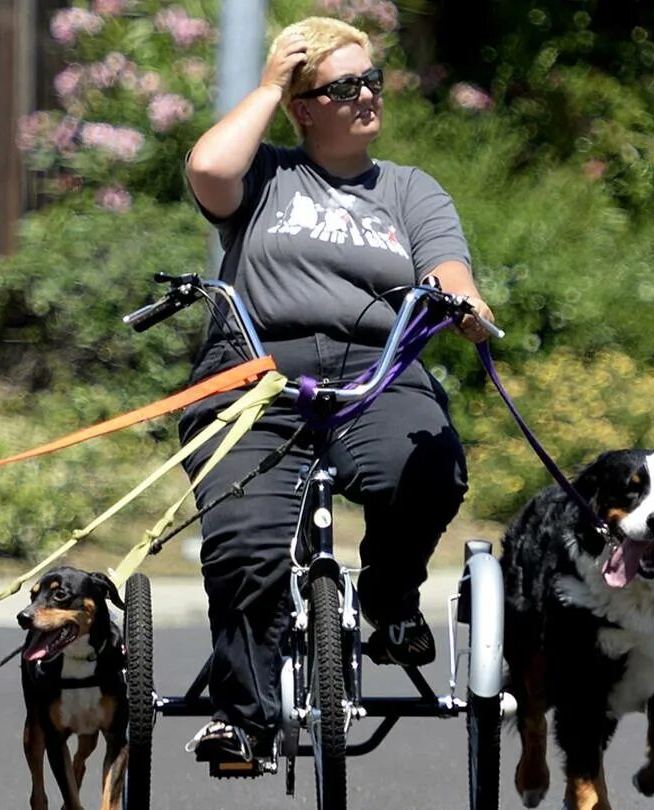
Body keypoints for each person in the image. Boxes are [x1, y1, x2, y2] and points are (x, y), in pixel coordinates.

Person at [178, 16, 497, 762]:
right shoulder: (268, 176)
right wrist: (265, 86)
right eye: (342, 86)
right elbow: (208, 172)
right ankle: (247, 720)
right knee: (245, 542)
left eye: (372, 80)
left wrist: (468, 306)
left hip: (376, 369)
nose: (365, 95)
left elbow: (447, 268)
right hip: (255, 371)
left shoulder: (410, 190)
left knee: (424, 468)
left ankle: (388, 596)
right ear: (303, 105)